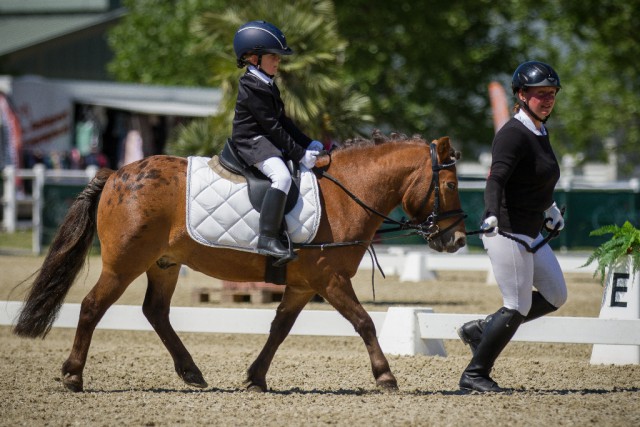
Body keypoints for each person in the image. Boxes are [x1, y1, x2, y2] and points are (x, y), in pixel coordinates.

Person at [457, 61, 568, 392]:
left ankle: (484, 330)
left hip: (531, 229)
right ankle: (475, 374)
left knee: (556, 295)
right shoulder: (512, 133)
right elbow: (497, 180)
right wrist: (490, 214)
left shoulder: (539, 130)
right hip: (506, 230)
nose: (547, 100)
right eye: (540, 94)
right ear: (521, 95)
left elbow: (532, 180)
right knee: (517, 305)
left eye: (552, 94)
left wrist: (549, 208)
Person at [231, 20, 324, 266]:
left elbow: (283, 121)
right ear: (253, 58)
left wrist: (308, 142)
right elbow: (271, 127)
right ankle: (267, 238)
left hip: (264, 138)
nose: (278, 61)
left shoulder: (265, 82)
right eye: (273, 56)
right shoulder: (251, 86)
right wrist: (299, 155)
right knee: (281, 177)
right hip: (251, 142)